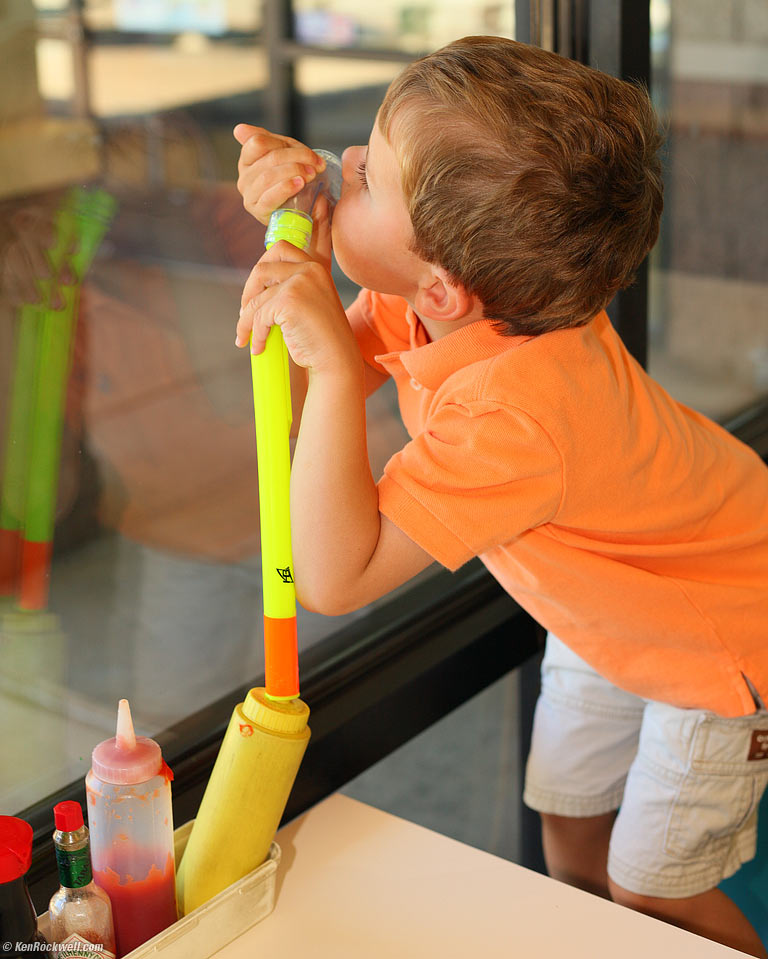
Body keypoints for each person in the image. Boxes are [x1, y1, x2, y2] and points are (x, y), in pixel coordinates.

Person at [232, 36, 768, 956]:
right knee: (567, 821)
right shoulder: (461, 299)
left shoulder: (517, 414)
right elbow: (309, 392)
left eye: (364, 175)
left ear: (442, 282)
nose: (338, 162)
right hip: (619, 603)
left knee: (654, 894)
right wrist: (312, 256)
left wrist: (322, 335)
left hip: (721, 636)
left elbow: (334, 571)